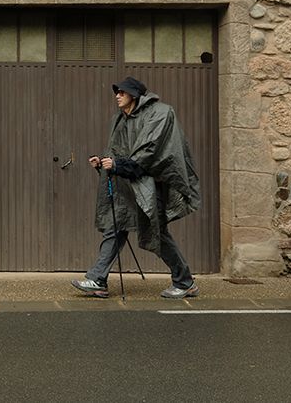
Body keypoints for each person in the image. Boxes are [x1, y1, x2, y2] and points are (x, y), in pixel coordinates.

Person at [72, 77, 202, 300]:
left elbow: (150, 153)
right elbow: (120, 152)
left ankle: (185, 282)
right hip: (126, 188)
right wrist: (105, 163)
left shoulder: (159, 114)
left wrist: (119, 165)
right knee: (115, 229)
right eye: (117, 92)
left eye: (122, 92)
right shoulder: (120, 120)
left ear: (134, 94)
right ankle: (98, 280)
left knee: (157, 234)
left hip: (150, 188)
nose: (117, 96)